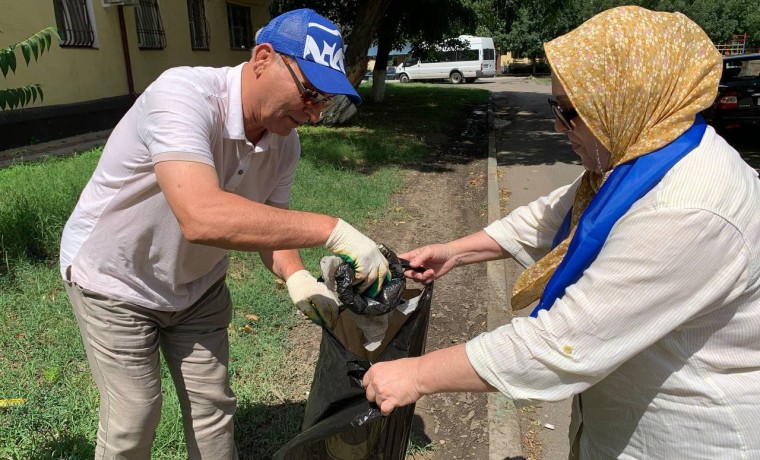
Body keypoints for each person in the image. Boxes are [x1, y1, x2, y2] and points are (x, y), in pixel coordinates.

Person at [362, 6, 760, 459]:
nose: (556, 126)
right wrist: (456, 251)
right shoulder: (647, 153)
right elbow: (555, 215)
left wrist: (416, 376)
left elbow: (562, 342)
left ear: (627, 97)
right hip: (619, 417)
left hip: (687, 435)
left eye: (570, 112)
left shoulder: (689, 209)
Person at [59, 8, 390, 459]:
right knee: (133, 418)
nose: (314, 114)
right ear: (263, 58)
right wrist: (332, 230)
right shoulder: (182, 95)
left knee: (212, 408)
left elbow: (271, 226)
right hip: (116, 280)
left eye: (325, 101)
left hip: (197, 288)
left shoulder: (283, 142)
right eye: (310, 92)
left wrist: (296, 276)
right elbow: (201, 216)